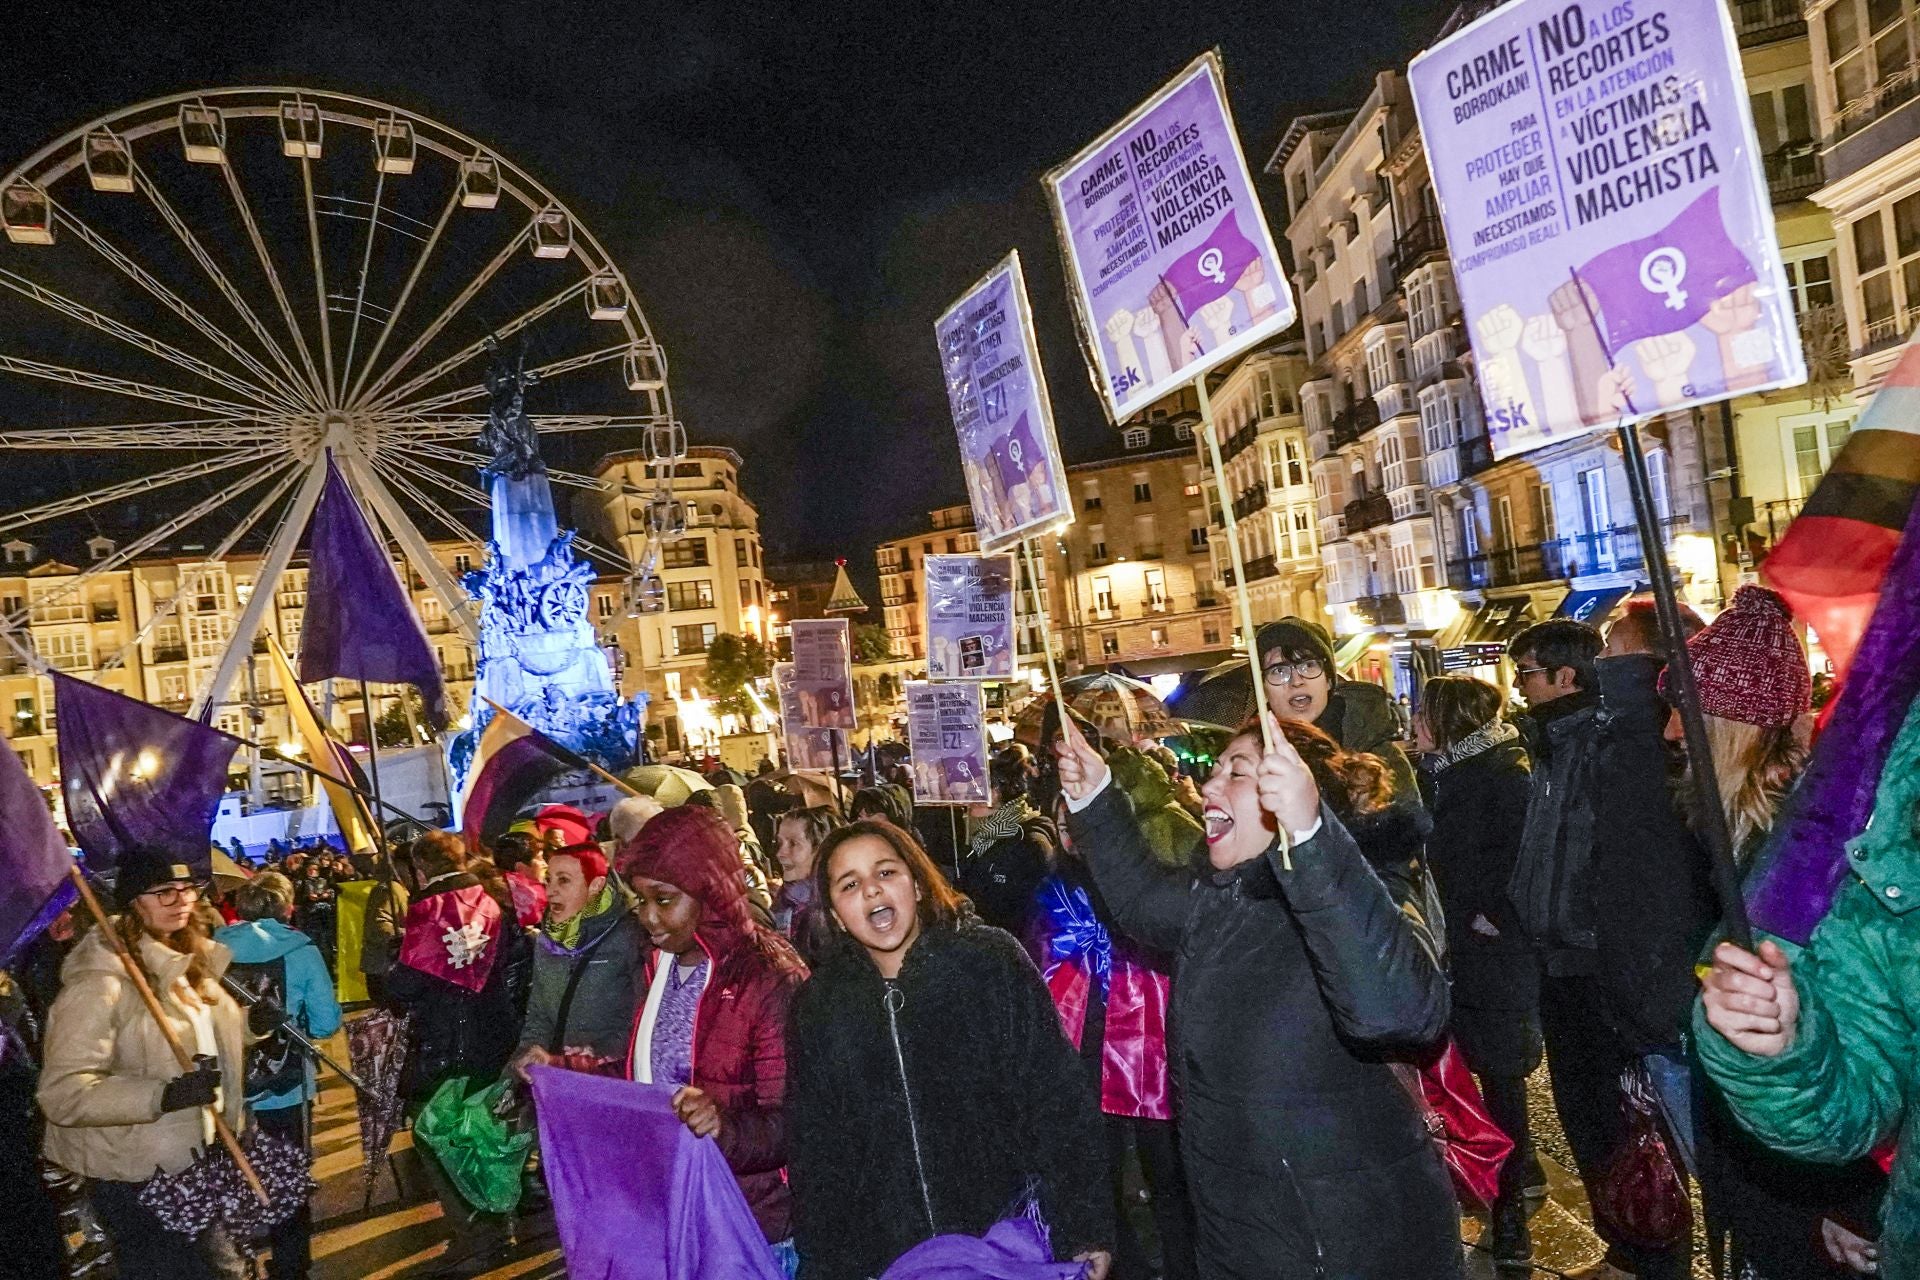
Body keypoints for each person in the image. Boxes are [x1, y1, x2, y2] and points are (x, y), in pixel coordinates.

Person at [1055, 716, 1458, 1278]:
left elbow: (1401, 1012)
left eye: (1236, 772)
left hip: (1351, 1244)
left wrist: (1311, 838)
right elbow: (1145, 901)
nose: (1208, 787)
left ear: (1289, 795)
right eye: (1214, 770)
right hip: (1240, 1239)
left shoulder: (1368, 890)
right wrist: (1095, 795)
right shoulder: (1224, 893)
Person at [1662, 588, 1885, 1280]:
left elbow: (1865, 1029)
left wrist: (1850, 1202)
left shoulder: (1806, 850)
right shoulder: (1732, 831)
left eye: (1685, 712)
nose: (1671, 733)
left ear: (1733, 723)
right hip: (1761, 1172)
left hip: (1809, 1192)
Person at [786, 818, 1112, 1280]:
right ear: (836, 914)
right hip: (890, 1258)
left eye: (886, 873)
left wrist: (1086, 1229)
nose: (873, 892)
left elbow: (1057, 1101)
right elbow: (816, 1151)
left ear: (917, 884)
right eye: (850, 884)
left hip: (1004, 1245)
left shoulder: (989, 963)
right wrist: (822, 1265)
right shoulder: (819, 1006)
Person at [1506, 618, 1710, 1280]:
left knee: (1631, 1130)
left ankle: (1652, 1254)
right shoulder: (1549, 746)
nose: (1520, 687)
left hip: (1597, 967)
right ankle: (1623, 1246)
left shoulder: (1600, 741)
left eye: (1529, 673)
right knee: (1586, 1121)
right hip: (1559, 964)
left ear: (1569, 675)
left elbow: (1618, 858)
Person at [1032, 709, 1199, 1280]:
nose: (1069, 830)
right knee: (1103, 1175)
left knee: (1166, 1170)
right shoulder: (1054, 882)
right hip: (1088, 1043)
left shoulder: (1153, 845)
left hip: (1146, 1039)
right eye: (1062, 821)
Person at [38, 849, 249, 1280]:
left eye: (187, 888)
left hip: (196, 1156)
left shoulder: (185, 960)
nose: (181, 899)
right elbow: (63, 1093)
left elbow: (194, 1040)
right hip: (134, 1175)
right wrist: (162, 1095)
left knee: (225, 1269)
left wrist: (252, 1027)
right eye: (163, 892)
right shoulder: (100, 982)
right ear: (133, 902)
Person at [615, 805, 809, 1272]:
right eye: (641, 901)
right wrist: (566, 1070)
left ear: (709, 892)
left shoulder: (768, 979)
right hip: (680, 1212)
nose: (649, 917)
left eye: (664, 899)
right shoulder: (660, 966)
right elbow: (651, 1081)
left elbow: (797, 1123)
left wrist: (723, 1126)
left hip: (752, 1226)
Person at [1414, 675, 1541, 1272]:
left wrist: (1489, 912)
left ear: (1449, 719)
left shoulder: (1501, 772)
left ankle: (1511, 1212)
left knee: (1502, 1082)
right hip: (1457, 950)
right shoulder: (1441, 774)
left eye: (1423, 713)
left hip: (1491, 955)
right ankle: (1517, 1174)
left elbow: (1518, 857)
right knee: (1473, 1077)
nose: (1414, 722)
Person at [386, 832, 521, 1277]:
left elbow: (405, 985)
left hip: (444, 1046)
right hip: (494, 1037)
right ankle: (501, 1224)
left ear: (421, 870)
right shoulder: (494, 898)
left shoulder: (426, 912)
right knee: (490, 1137)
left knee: (440, 1139)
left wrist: (391, 962)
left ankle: (472, 1237)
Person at [214, 872, 342, 1280]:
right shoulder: (300, 950)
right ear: (286, 906)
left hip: (227, 1088)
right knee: (287, 1180)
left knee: (230, 1177)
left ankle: (236, 1260)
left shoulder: (213, 948)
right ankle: (290, 1264)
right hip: (285, 1087)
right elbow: (325, 1023)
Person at [1256, 616, 1419, 802]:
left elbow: (1412, 826)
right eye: (1279, 671)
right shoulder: (1251, 763)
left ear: (1328, 680)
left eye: (1308, 666)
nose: (1296, 681)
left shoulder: (1380, 758)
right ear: (1263, 689)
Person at [512, 843, 641, 1075]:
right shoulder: (548, 940)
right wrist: (526, 1059)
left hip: (610, 1078)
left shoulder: (628, 937)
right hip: (558, 1077)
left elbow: (643, 1017)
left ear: (596, 885)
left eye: (563, 881)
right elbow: (539, 1015)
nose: (550, 891)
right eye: (548, 880)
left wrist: (595, 1053)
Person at [958, 745, 1055, 936]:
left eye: (973, 793)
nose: (966, 804)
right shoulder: (982, 838)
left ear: (994, 794)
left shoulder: (1029, 843)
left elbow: (1034, 914)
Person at [772, 806, 839, 966]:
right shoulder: (786, 902)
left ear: (821, 850)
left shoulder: (831, 913)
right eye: (780, 843)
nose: (780, 853)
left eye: (793, 844)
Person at [491, 832, 549, 930]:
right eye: (539, 859)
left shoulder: (492, 891)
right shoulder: (530, 896)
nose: (545, 863)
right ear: (520, 867)